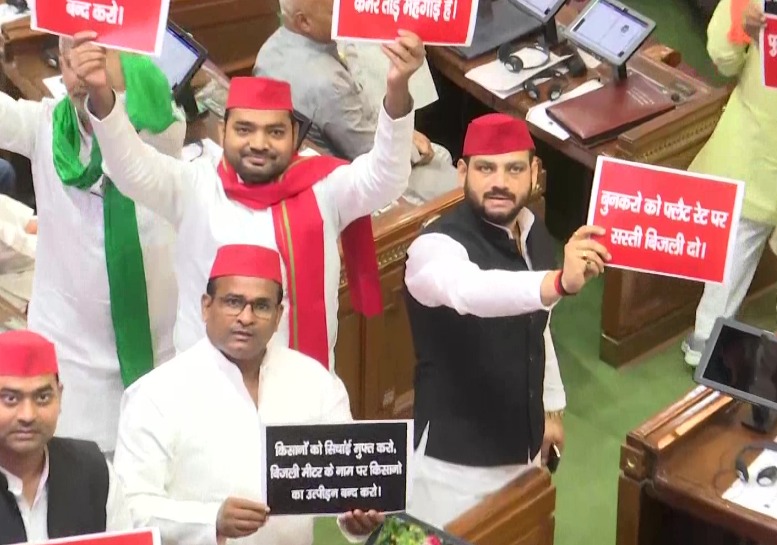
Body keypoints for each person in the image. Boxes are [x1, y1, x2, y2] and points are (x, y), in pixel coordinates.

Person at [72, 29, 422, 372]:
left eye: (275, 132)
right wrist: (101, 93)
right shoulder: (195, 185)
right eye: (244, 129)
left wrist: (397, 89)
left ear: (295, 137)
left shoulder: (324, 187)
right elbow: (129, 166)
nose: (259, 143)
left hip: (299, 383)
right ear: (223, 132)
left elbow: (386, 177)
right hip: (207, 384)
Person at [402, 113, 611, 527]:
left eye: (514, 168)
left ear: (534, 174)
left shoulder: (534, 233)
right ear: (462, 172)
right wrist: (558, 283)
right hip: (452, 469)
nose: (500, 182)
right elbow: (472, 291)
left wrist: (552, 410)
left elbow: (540, 326)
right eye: (485, 168)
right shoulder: (433, 247)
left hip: (525, 452)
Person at [114, 244, 383, 545]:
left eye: (261, 306)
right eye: (233, 302)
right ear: (206, 306)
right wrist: (211, 519)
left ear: (278, 315)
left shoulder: (315, 382)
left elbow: (348, 485)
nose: (246, 317)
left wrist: (356, 522)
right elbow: (130, 509)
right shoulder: (156, 395)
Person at [0, 37, 183, 456]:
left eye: (96, 57)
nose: (80, 74)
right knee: (85, 487)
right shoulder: (44, 126)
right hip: (73, 357)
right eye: (69, 61)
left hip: (157, 349)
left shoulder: (161, 130)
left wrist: (106, 86)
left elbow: (144, 113)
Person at [254, 0, 458, 203]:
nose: (347, 19)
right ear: (304, 22)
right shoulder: (327, 81)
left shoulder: (269, 49)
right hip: (357, 178)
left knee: (443, 154)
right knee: (458, 182)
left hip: (340, 145)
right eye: (336, 14)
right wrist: (410, 146)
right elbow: (373, 152)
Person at [681, 0, 777, 366]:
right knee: (737, 243)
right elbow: (724, 59)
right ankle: (707, 338)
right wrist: (743, 31)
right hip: (754, 147)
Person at [0, 330, 131, 544]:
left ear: (59, 397)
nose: (28, 415)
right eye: (10, 399)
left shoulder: (93, 473)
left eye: (42, 398)